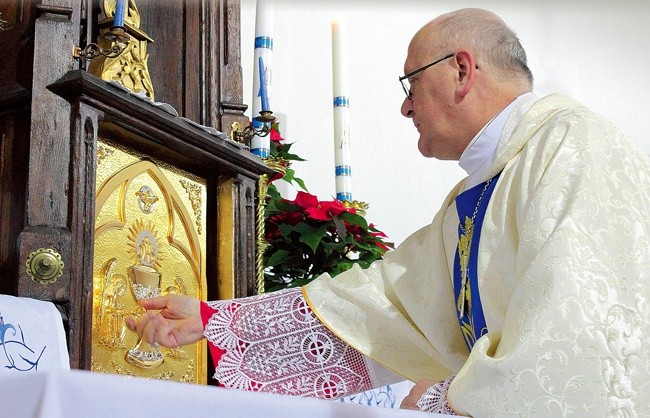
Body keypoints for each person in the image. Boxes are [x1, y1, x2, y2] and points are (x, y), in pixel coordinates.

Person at [126, 8, 650, 416]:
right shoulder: (481, 192)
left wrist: (446, 399)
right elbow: (382, 307)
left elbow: (577, 342)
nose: (405, 106)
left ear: (461, 71)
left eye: (410, 84)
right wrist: (215, 321)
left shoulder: (573, 147)